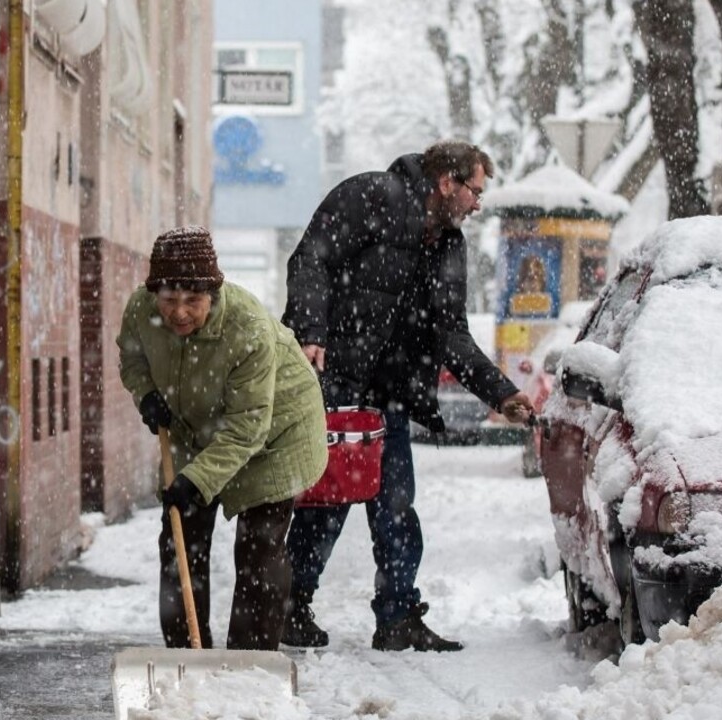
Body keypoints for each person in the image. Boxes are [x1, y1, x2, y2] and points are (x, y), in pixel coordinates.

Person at [281, 140, 534, 652]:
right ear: (447, 182)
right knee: (326, 502)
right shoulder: (370, 196)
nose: (478, 203)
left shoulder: (449, 244)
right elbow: (311, 260)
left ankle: (397, 617)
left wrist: (501, 394)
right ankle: (290, 605)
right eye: (475, 191)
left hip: (390, 394)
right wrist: (311, 331)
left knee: (396, 506)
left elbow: (450, 334)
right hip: (337, 384)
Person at [117, 225, 328, 651]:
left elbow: (249, 424)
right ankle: (188, 653)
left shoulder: (246, 327)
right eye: (169, 300)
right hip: (193, 428)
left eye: (192, 301)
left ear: (213, 293)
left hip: (276, 434)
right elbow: (132, 357)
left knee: (259, 547)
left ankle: (249, 665)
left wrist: (198, 481)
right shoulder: (142, 310)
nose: (179, 313)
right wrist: (147, 396)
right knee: (179, 542)